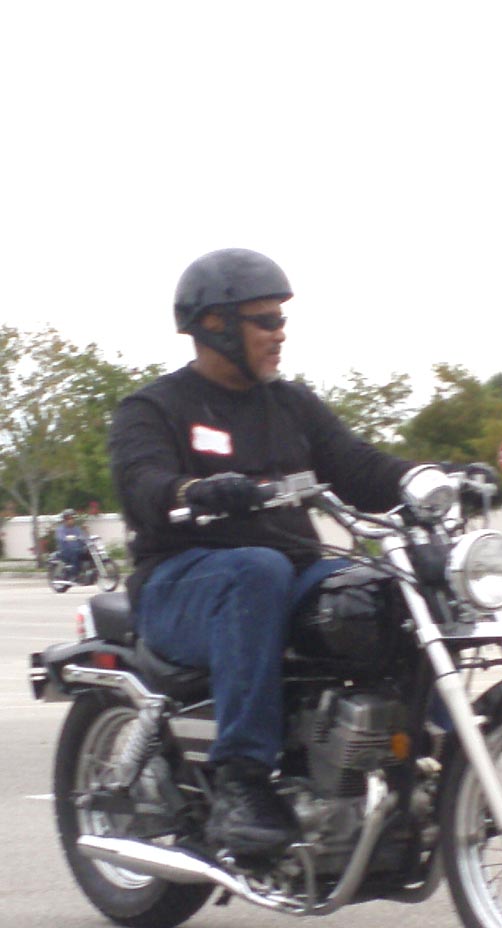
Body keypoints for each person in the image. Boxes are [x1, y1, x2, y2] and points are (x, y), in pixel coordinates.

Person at [109, 248, 420, 861]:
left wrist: (429, 478)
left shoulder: (291, 404)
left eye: (282, 320)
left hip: (288, 572)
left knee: (378, 589)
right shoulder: (155, 408)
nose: (280, 333)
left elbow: (359, 467)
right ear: (215, 325)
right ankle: (241, 781)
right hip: (179, 582)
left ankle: (414, 762)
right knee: (257, 568)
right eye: (266, 320)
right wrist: (192, 491)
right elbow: (142, 482)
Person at [55, 509, 91, 578]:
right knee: (75, 553)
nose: (71, 520)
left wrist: (86, 534)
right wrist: (69, 538)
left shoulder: (76, 529)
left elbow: (82, 537)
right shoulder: (60, 529)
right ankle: (74, 574)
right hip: (65, 551)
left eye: (72, 518)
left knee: (88, 552)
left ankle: (88, 571)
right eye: (69, 518)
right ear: (65, 519)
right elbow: (61, 538)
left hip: (78, 549)